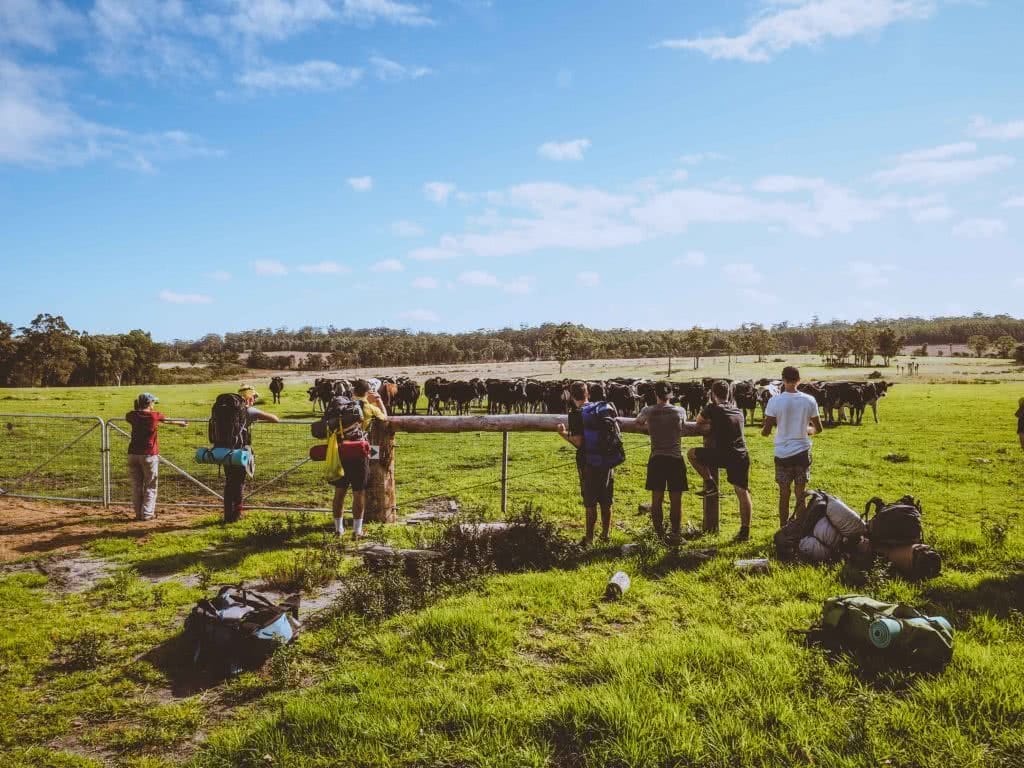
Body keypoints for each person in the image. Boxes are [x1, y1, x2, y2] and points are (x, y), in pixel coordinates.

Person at [688, 380, 753, 542]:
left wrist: (711, 421)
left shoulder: (712, 408)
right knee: (742, 492)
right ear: (728, 394)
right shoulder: (737, 410)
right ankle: (745, 531)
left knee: (691, 454)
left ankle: (710, 483)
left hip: (724, 454)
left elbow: (698, 421)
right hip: (741, 455)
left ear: (713, 394)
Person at [557, 381, 619, 546]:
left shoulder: (576, 413)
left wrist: (562, 434)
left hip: (588, 462)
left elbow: (578, 442)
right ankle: (605, 535)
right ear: (588, 394)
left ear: (571, 396)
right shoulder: (601, 409)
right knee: (606, 499)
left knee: (590, 501)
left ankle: (589, 539)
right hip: (607, 459)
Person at [761, 366, 823, 528]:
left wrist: (773, 426)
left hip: (782, 454)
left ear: (783, 380)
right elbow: (819, 428)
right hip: (802, 453)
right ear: (799, 380)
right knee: (800, 494)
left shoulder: (774, 401)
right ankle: (800, 528)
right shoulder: (809, 400)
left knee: (784, 494)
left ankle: (783, 527)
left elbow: (765, 432)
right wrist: (807, 430)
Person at [634, 381, 692, 542]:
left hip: (657, 458)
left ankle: (659, 534)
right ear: (671, 394)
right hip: (675, 457)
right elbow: (684, 427)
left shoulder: (648, 410)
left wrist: (648, 429)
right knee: (676, 499)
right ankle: (675, 533)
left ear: (656, 394)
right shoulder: (679, 411)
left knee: (656, 498)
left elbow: (638, 423)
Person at [331, 379, 388, 539]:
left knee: (339, 492)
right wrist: (379, 401)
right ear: (368, 392)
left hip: (340, 452)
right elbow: (385, 418)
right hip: (358, 454)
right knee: (358, 492)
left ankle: (338, 530)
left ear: (353, 391)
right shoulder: (369, 408)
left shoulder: (342, 406)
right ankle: (357, 531)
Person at [222, 385, 280, 523]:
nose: (254, 399)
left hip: (224, 450)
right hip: (240, 451)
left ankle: (227, 514)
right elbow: (275, 419)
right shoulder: (249, 410)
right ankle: (236, 515)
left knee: (229, 482)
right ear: (249, 397)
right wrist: (256, 417)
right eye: (253, 397)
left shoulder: (225, 411)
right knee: (239, 482)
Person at [125, 393, 186, 521]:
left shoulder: (132, 415)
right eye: (153, 403)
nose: (154, 405)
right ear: (149, 403)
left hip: (133, 454)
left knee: (136, 485)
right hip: (149, 454)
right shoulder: (154, 415)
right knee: (150, 485)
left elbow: (130, 415)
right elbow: (168, 421)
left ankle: (138, 513)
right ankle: (147, 514)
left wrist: (137, 408)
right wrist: (181, 423)